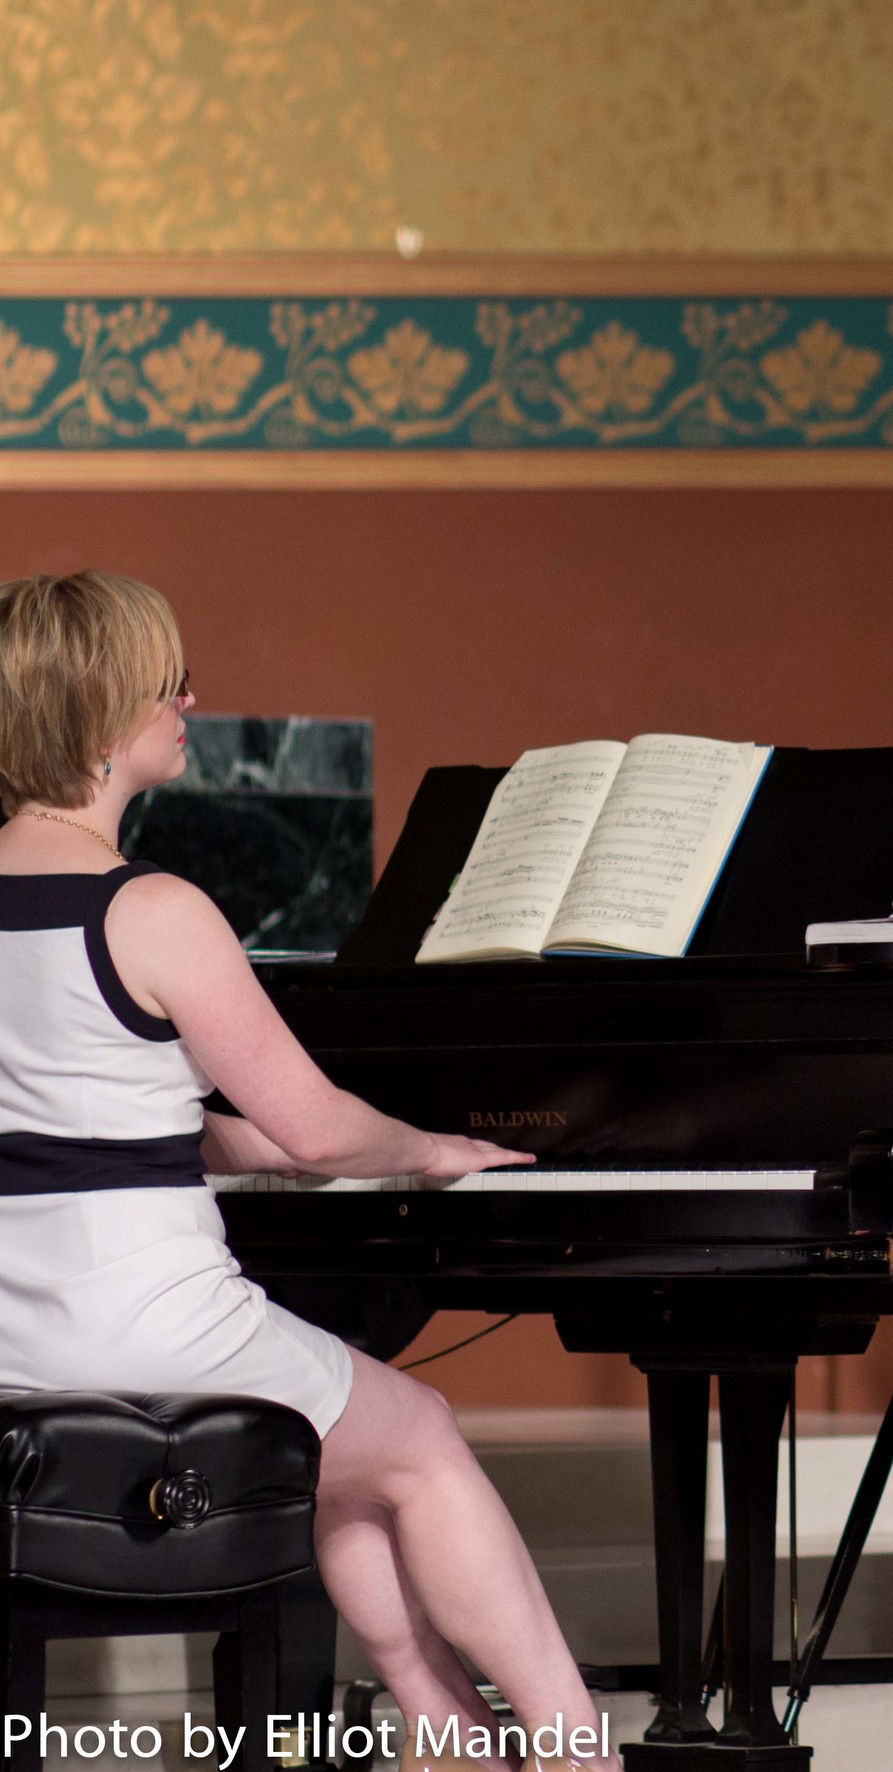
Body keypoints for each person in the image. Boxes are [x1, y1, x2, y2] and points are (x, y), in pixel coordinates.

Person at [0, 570, 618, 1772]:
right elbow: (327, 1128)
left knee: (346, 1457)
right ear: (97, 709)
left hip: (14, 1331)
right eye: (163, 678)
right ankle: (575, 1746)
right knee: (423, 1433)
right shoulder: (156, 907)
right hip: (151, 1330)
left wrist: (248, 1146)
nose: (189, 696)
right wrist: (430, 1146)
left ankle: (445, 1729)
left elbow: (84, 1120)